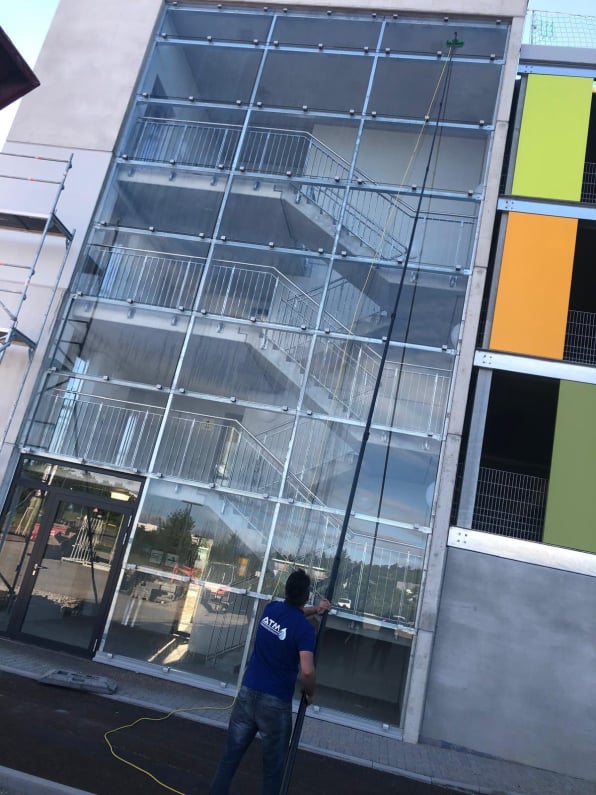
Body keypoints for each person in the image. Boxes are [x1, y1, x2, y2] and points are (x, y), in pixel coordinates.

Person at [208, 569, 330, 795]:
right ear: (306, 596)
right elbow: (307, 671)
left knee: (230, 757)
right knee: (273, 770)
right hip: (275, 704)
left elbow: (292, 615)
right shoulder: (304, 629)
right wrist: (310, 692)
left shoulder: (271, 609)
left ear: (286, 591)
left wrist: (316, 609)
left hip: (247, 694)